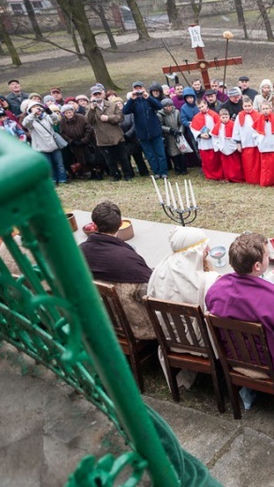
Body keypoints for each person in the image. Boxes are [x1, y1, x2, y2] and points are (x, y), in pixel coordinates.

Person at [205, 233, 274, 420]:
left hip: (235, 358)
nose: (269, 257)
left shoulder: (216, 290)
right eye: (267, 255)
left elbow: (250, 292)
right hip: (267, 363)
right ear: (257, 266)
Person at [147, 227, 220, 392]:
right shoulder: (206, 281)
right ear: (193, 253)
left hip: (169, 339)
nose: (208, 250)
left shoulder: (158, 273)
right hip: (201, 343)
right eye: (204, 247)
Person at [79, 201, 154, 340]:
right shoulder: (128, 259)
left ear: (94, 226)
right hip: (137, 328)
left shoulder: (79, 252)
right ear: (120, 224)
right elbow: (151, 290)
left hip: (98, 321)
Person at [122, 81, 168, 178]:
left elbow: (159, 106)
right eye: (136, 88)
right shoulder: (133, 102)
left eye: (140, 88)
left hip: (155, 131)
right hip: (142, 134)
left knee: (160, 153)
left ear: (144, 88)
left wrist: (148, 97)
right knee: (150, 155)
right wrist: (132, 99)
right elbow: (125, 111)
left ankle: (163, 172)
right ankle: (156, 172)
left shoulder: (149, 99)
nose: (138, 90)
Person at [22, 101, 67, 184]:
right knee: (49, 166)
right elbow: (25, 123)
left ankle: (62, 179)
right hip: (41, 147)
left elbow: (56, 120)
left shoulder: (46, 116)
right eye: (34, 107)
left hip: (53, 144)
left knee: (59, 164)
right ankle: (52, 181)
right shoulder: (30, 120)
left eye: (38, 106)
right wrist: (33, 114)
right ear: (30, 110)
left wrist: (49, 111)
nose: (37, 108)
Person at [190, 99, 221, 180]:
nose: (201, 109)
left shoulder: (213, 115)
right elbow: (193, 129)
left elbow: (218, 125)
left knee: (215, 159)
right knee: (206, 159)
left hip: (213, 140)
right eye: (199, 108)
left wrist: (211, 134)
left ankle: (218, 174)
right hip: (203, 141)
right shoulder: (196, 117)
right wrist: (200, 135)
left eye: (202, 106)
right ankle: (209, 174)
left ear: (206, 104)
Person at [211, 108, 244, 182]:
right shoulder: (217, 126)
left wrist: (236, 144)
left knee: (235, 163)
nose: (225, 119)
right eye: (223, 117)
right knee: (226, 164)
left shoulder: (233, 124)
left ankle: (236, 177)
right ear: (220, 117)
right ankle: (228, 177)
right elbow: (215, 137)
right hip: (223, 146)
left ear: (229, 116)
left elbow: (236, 134)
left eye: (226, 117)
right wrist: (218, 146)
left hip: (232, 147)